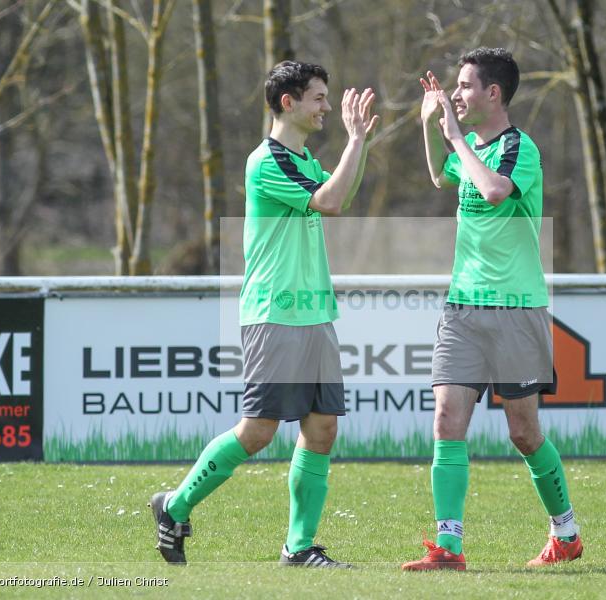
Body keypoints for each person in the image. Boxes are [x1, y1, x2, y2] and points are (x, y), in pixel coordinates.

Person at [150, 61, 379, 567]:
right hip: (274, 312)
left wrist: (356, 143)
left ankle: (299, 548)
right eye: (318, 98)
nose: (325, 107)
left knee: (322, 430)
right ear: (288, 103)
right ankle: (175, 505)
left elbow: (340, 191)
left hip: (315, 313)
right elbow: (332, 202)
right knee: (258, 431)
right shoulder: (268, 161)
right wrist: (356, 140)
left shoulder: (301, 159)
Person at [401, 48, 582, 571]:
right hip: (462, 308)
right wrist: (430, 126)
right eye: (454, 88)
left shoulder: (518, 149)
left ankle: (565, 532)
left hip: (516, 309)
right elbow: (442, 177)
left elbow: (496, 190)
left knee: (523, 433)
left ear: (494, 93)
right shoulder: (470, 148)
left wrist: (454, 133)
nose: (456, 95)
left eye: (464, 87)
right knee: (446, 419)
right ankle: (449, 547)